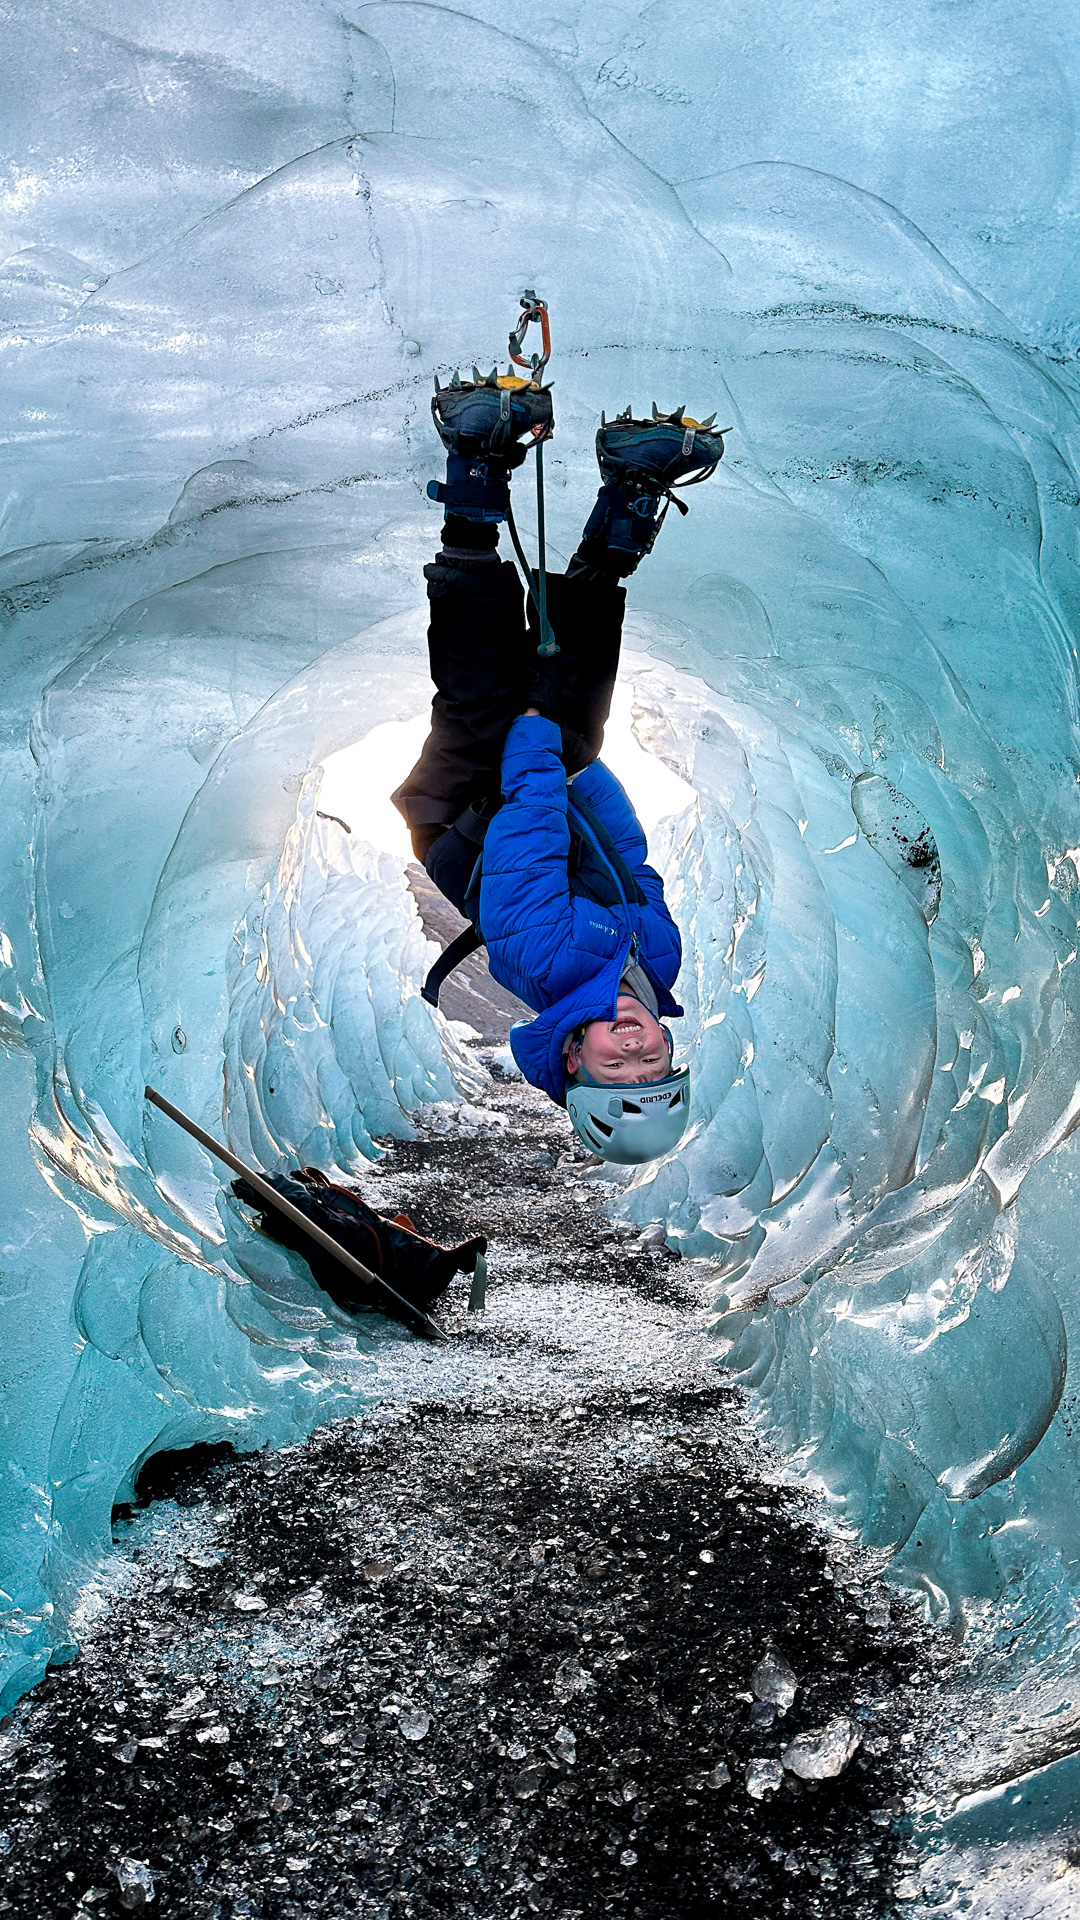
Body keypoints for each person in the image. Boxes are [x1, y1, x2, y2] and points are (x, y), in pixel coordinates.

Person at [392, 371, 725, 1163]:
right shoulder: (658, 963)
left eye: (620, 1067)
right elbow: (631, 864)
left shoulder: (541, 960)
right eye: (653, 1060)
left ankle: (475, 459)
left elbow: (528, 834)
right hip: (538, 805)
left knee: (484, 692)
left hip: (462, 813)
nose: (636, 1046)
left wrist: (539, 731)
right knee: (580, 709)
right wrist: (578, 763)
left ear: (574, 1060)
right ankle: (627, 494)